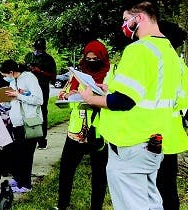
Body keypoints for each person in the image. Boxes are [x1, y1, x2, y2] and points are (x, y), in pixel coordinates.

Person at [80, 1, 188, 209]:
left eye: (125, 19)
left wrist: (90, 98)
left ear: (138, 18)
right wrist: (107, 90)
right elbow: (143, 93)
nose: (123, 25)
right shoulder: (169, 53)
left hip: (130, 142)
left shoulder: (139, 50)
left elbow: (123, 101)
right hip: (154, 142)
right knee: (150, 200)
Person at [55, 40, 109, 210]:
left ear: (103, 57)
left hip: (101, 130)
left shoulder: (110, 75)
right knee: (66, 170)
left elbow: (115, 97)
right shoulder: (77, 75)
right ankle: (62, 205)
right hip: (77, 130)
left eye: (95, 58)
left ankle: (96, 206)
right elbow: (64, 93)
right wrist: (67, 95)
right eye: (88, 58)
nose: (91, 61)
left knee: (99, 173)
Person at [155, 19, 188, 210]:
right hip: (171, 138)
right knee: (168, 189)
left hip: (154, 137)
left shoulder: (161, 67)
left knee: (158, 190)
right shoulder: (181, 67)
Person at [0, 59, 43, 193]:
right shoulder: (13, 82)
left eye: (5, 75)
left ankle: (26, 184)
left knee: (26, 155)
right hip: (17, 123)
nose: (4, 78)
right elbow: (13, 102)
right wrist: (2, 101)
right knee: (17, 154)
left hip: (29, 123)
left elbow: (38, 100)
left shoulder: (29, 78)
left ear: (11, 72)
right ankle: (19, 179)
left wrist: (18, 95)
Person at [24, 38, 56, 150]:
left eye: (40, 49)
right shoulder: (29, 56)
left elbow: (53, 76)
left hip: (42, 88)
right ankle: (30, 136)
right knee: (27, 111)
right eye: (36, 48)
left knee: (42, 112)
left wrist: (40, 71)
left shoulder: (48, 59)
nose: (37, 51)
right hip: (28, 87)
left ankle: (42, 140)